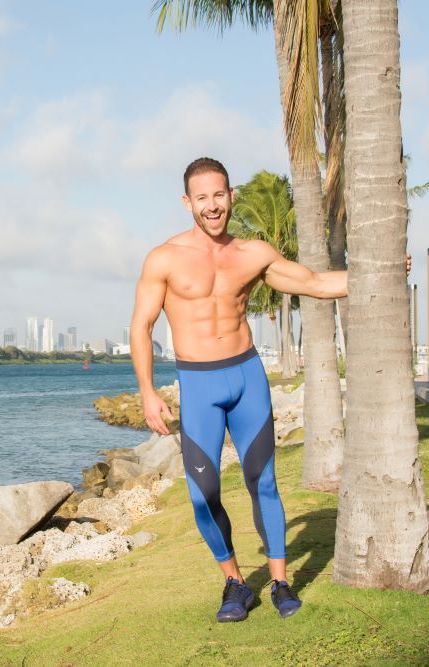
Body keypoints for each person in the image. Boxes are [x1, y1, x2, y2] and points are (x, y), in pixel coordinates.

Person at [129, 157, 346, 622]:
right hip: (198, 381)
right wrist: (147, 391)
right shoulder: (163, 258)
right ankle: (234, 582)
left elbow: (313, 282)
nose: (212, 205)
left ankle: (281, 583)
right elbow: (141, 325)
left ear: (231, 197)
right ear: (188, 203)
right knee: (202, 491)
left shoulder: (253, 254)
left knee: (262, 481)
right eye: (202, 197)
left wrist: (379, 270)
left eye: (219, 195)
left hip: (246, 376)